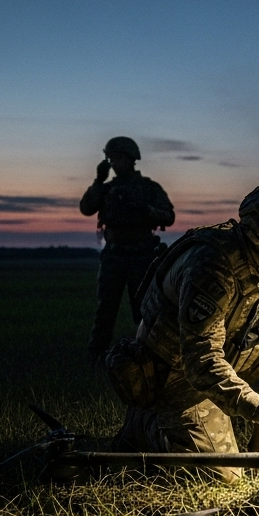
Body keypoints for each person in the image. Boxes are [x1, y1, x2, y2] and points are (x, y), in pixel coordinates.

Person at [112, 181, 259, 483]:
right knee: (225, 480)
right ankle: (151, 429)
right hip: (175, 385)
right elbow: (202, 363)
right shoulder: (211, 268)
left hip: (219, 363)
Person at [80, 136, 175, 361]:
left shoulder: (148, 188)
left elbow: (169, 216)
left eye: (117, 158)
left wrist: (147, 210)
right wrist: (98, 180)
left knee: (143, 310)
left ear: (130, 159)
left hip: (141, 255)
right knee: (106, 309)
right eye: (111, 159)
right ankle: (96, 356)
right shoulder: (106, 189)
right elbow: (86, 208)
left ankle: (149, 356)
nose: (114, 163)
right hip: (113, 255)